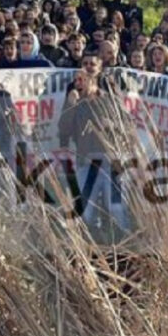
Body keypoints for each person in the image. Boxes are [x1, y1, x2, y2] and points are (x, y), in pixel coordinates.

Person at [59, 69, 131, 232]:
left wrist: (112, 126)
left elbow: (127, 124)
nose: (77, 84)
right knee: (85, 209)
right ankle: (88, 246)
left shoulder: (109, 100)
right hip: (87, 162)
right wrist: (70, 105)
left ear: (92, 82)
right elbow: (64, 130)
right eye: (76, 81)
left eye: (81, 80)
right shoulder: (76, 104)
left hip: (112, 162)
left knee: (117, 207)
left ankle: (127, 243)